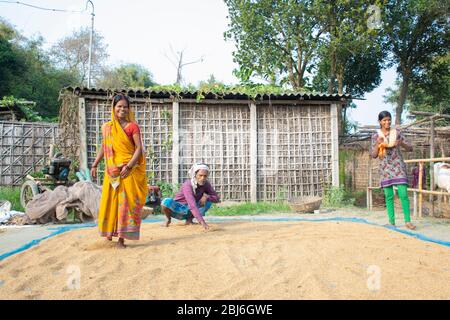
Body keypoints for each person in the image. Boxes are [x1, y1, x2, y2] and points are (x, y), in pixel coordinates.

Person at [90, 93, 148, 248]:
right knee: (111, 203)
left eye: (125, 107)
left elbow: (139, 149)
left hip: (128, 171)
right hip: (112, 172)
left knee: (125, 205)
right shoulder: (107, 127)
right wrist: (95, 164)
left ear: (129, 109)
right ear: (113, 108)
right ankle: (109, 233)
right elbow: (105, 147)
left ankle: (121, 239)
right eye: (119, 106)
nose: (122, 109)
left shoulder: (132, 127)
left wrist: (129, 166)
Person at [371, 111, 416, 230]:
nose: (387, 122)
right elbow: (374, 155)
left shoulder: (397, 133)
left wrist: (401, 143)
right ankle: (391, 222)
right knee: (389, 196)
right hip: (385, 168)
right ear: (380, 122)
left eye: (389, 119)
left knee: (403, 194)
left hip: (398, 166)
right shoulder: (376, 135)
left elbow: (410, 148)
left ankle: (408, 221)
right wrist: (377, 144)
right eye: (384, 120)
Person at [161, 163, 220, 230]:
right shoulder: (188, 185)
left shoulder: (206, 184)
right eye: (200, 175)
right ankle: (168, 219)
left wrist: (207, 197)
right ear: (195, 175)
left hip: (190, 209)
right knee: (166, 201)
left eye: (205, 176)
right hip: (179, 208)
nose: (202, 178)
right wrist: (202, 222)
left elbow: (217, 199)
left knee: (208, 201)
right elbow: (192, 205)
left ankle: (189, 220)